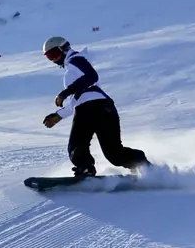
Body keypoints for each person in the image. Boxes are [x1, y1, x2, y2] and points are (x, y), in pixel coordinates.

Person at [40, 36, 151, 177]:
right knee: (114, 153)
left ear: (63, 48)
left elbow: (92, 76)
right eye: (49, 57)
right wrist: (58, 115)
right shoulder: (74, 65)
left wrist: (65, 92)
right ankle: (143, 165)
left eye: (53, 54)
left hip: (89, 109)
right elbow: (81, 96)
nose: (53, 60)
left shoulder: (75, 60)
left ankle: (86, 169)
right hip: (105, 108)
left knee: (76, 146)